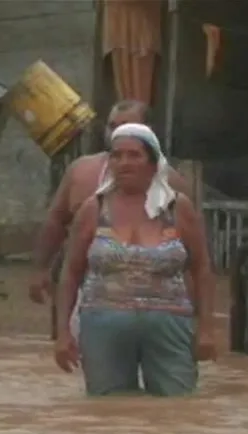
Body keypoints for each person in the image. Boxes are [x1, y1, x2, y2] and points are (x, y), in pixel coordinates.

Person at [54, 123, 216, 397]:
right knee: (109, 411)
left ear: (153, 163)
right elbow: (70, 274)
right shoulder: (93, 209)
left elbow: (202, 270)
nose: (124, 163)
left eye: (134, 155)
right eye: (116, 156)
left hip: (170, 325)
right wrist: (62, 334)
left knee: (177, 407)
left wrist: (207, 330)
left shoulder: (178, 208)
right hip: (103, 324)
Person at [28, 100, 190, 340]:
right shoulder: (81, 172)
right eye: (112, 126)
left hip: (153, 300)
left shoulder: (171, 184)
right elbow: (56, 221)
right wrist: (40, 269)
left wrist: (197, 320)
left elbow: (193, 256)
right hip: (88, 291)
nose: (117, 132)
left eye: (127, 126)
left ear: (148, 132)